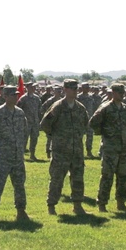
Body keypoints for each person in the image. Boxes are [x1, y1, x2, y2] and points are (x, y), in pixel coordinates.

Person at [0, 85, 30, 221]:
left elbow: (25, 131)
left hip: (17, 156)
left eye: (17, 94)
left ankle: (21, 211)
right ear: (5, 96)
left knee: (19, 185)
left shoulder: (20, 113)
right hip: (2, 157)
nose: (16, 97)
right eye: (13, 95)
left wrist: (22, 145)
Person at [41, 79, 90, 216]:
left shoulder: (80, 108)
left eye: (76, 88)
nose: (75, 91)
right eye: (72, 88)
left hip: (77, 150)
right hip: (60, 150)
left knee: (78, 179)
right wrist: (56, 136)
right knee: (57, 179)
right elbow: (45, 124)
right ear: (65, 90)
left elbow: (85, 124)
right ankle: (51, 206)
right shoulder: (57, 107)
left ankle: (77, 205)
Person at [89, 83, 126, 212]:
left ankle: (121, 203)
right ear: (113, 93)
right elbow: (93, 123)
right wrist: (105, 133)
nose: (122, 94)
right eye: (119, 92)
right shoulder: (105, 108)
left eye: (123, 92)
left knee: (124, 176)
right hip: (110, 148)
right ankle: (102, 204)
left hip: (123, 147)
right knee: (107, 176)